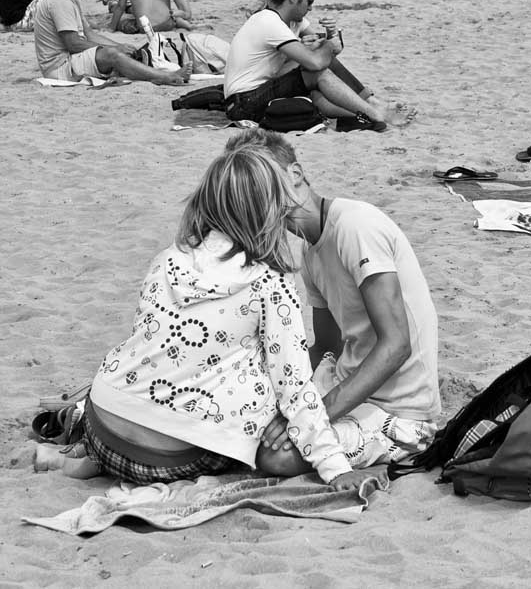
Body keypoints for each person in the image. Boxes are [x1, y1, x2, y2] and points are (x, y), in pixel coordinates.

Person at [78, 146, 360, 490]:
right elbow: (295, 387)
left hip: (101, 426)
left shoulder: (168, 259)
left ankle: (82, 454)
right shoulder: (269, 283)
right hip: (169, 457)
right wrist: (336, 468)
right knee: (264, 385)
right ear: (269, 209)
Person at [223, 129, 442, 476]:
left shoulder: (355, 226)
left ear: (295, 174)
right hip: (347, 383)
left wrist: (313, 415)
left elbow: (397, 345)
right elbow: (326, 347)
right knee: (243, 424)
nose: (254, 198)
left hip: (399, 410)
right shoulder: (310, 251)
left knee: (277, 457)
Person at [223, 0, 414, 129]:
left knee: (315, 85)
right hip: (242, 103)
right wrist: (327, 45)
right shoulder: (269, 21)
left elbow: (327, 52)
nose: (311, 8)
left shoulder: (293, 21)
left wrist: (331, 36)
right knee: (317, 74)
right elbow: (316, 62)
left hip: (260, 90)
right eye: (309, 1)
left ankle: (371, 107)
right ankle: (376, 113)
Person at [33, 0, 190, 84]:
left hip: (69, 60)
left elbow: (89, 34)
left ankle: (155, 71)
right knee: (112, 55)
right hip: (60, 68)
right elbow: (73, 44)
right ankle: (164, 77)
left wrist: (120, 46)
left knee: (122, 53)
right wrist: (114, 49)